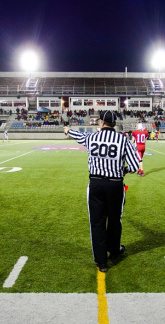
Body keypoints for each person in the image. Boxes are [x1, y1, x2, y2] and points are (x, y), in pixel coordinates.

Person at [63, 110, 140, 273]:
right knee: (114, 220)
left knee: (97, 222)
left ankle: (101, 261)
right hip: (115, 185)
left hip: (96, 184)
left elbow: (78, 137)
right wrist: (121, 171)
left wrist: (68, 130)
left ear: (101, 122)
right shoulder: (123, 140)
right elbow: (134, 166)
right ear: (114, 123)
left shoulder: (92, 138)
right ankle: (114, 250)